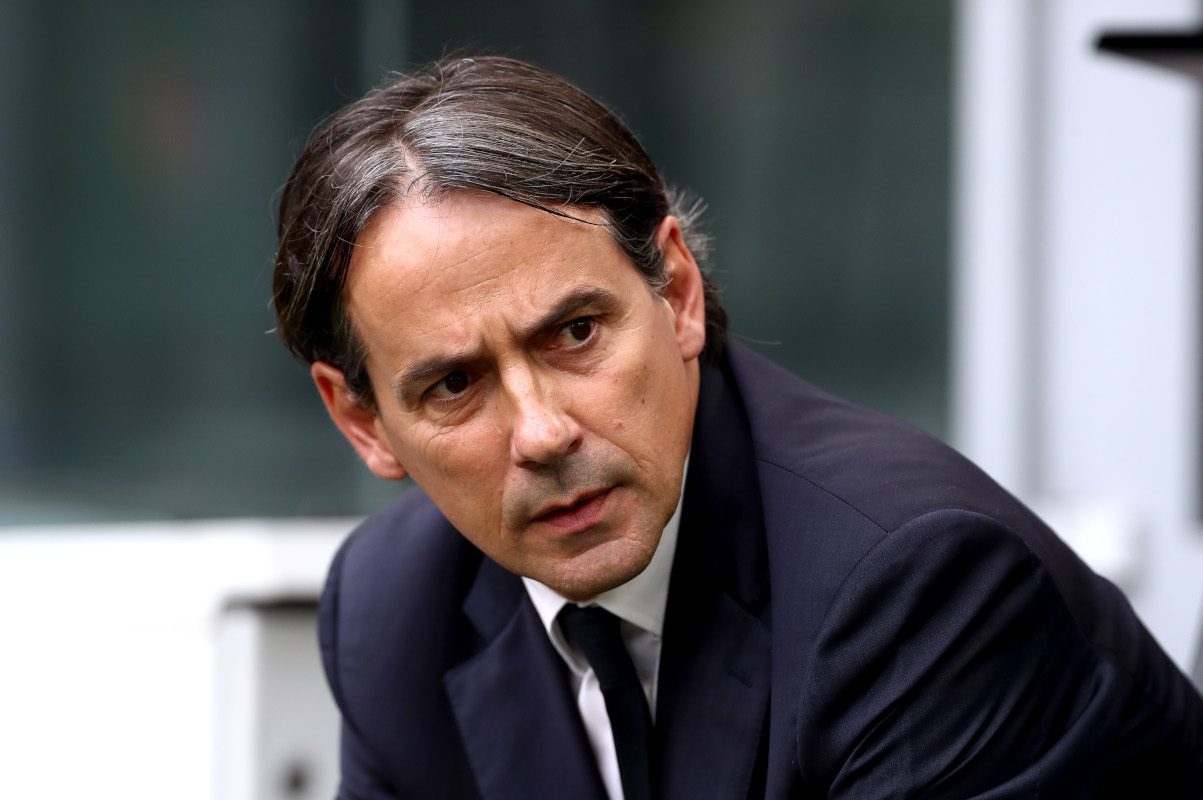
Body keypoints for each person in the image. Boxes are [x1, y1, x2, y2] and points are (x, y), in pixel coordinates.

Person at [272, 55, 1203, 800]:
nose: (543, 433)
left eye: (575, 334)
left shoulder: (915, 583)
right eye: (453, 384)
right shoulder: (394, 609)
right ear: (364, 421)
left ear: (676, 292)